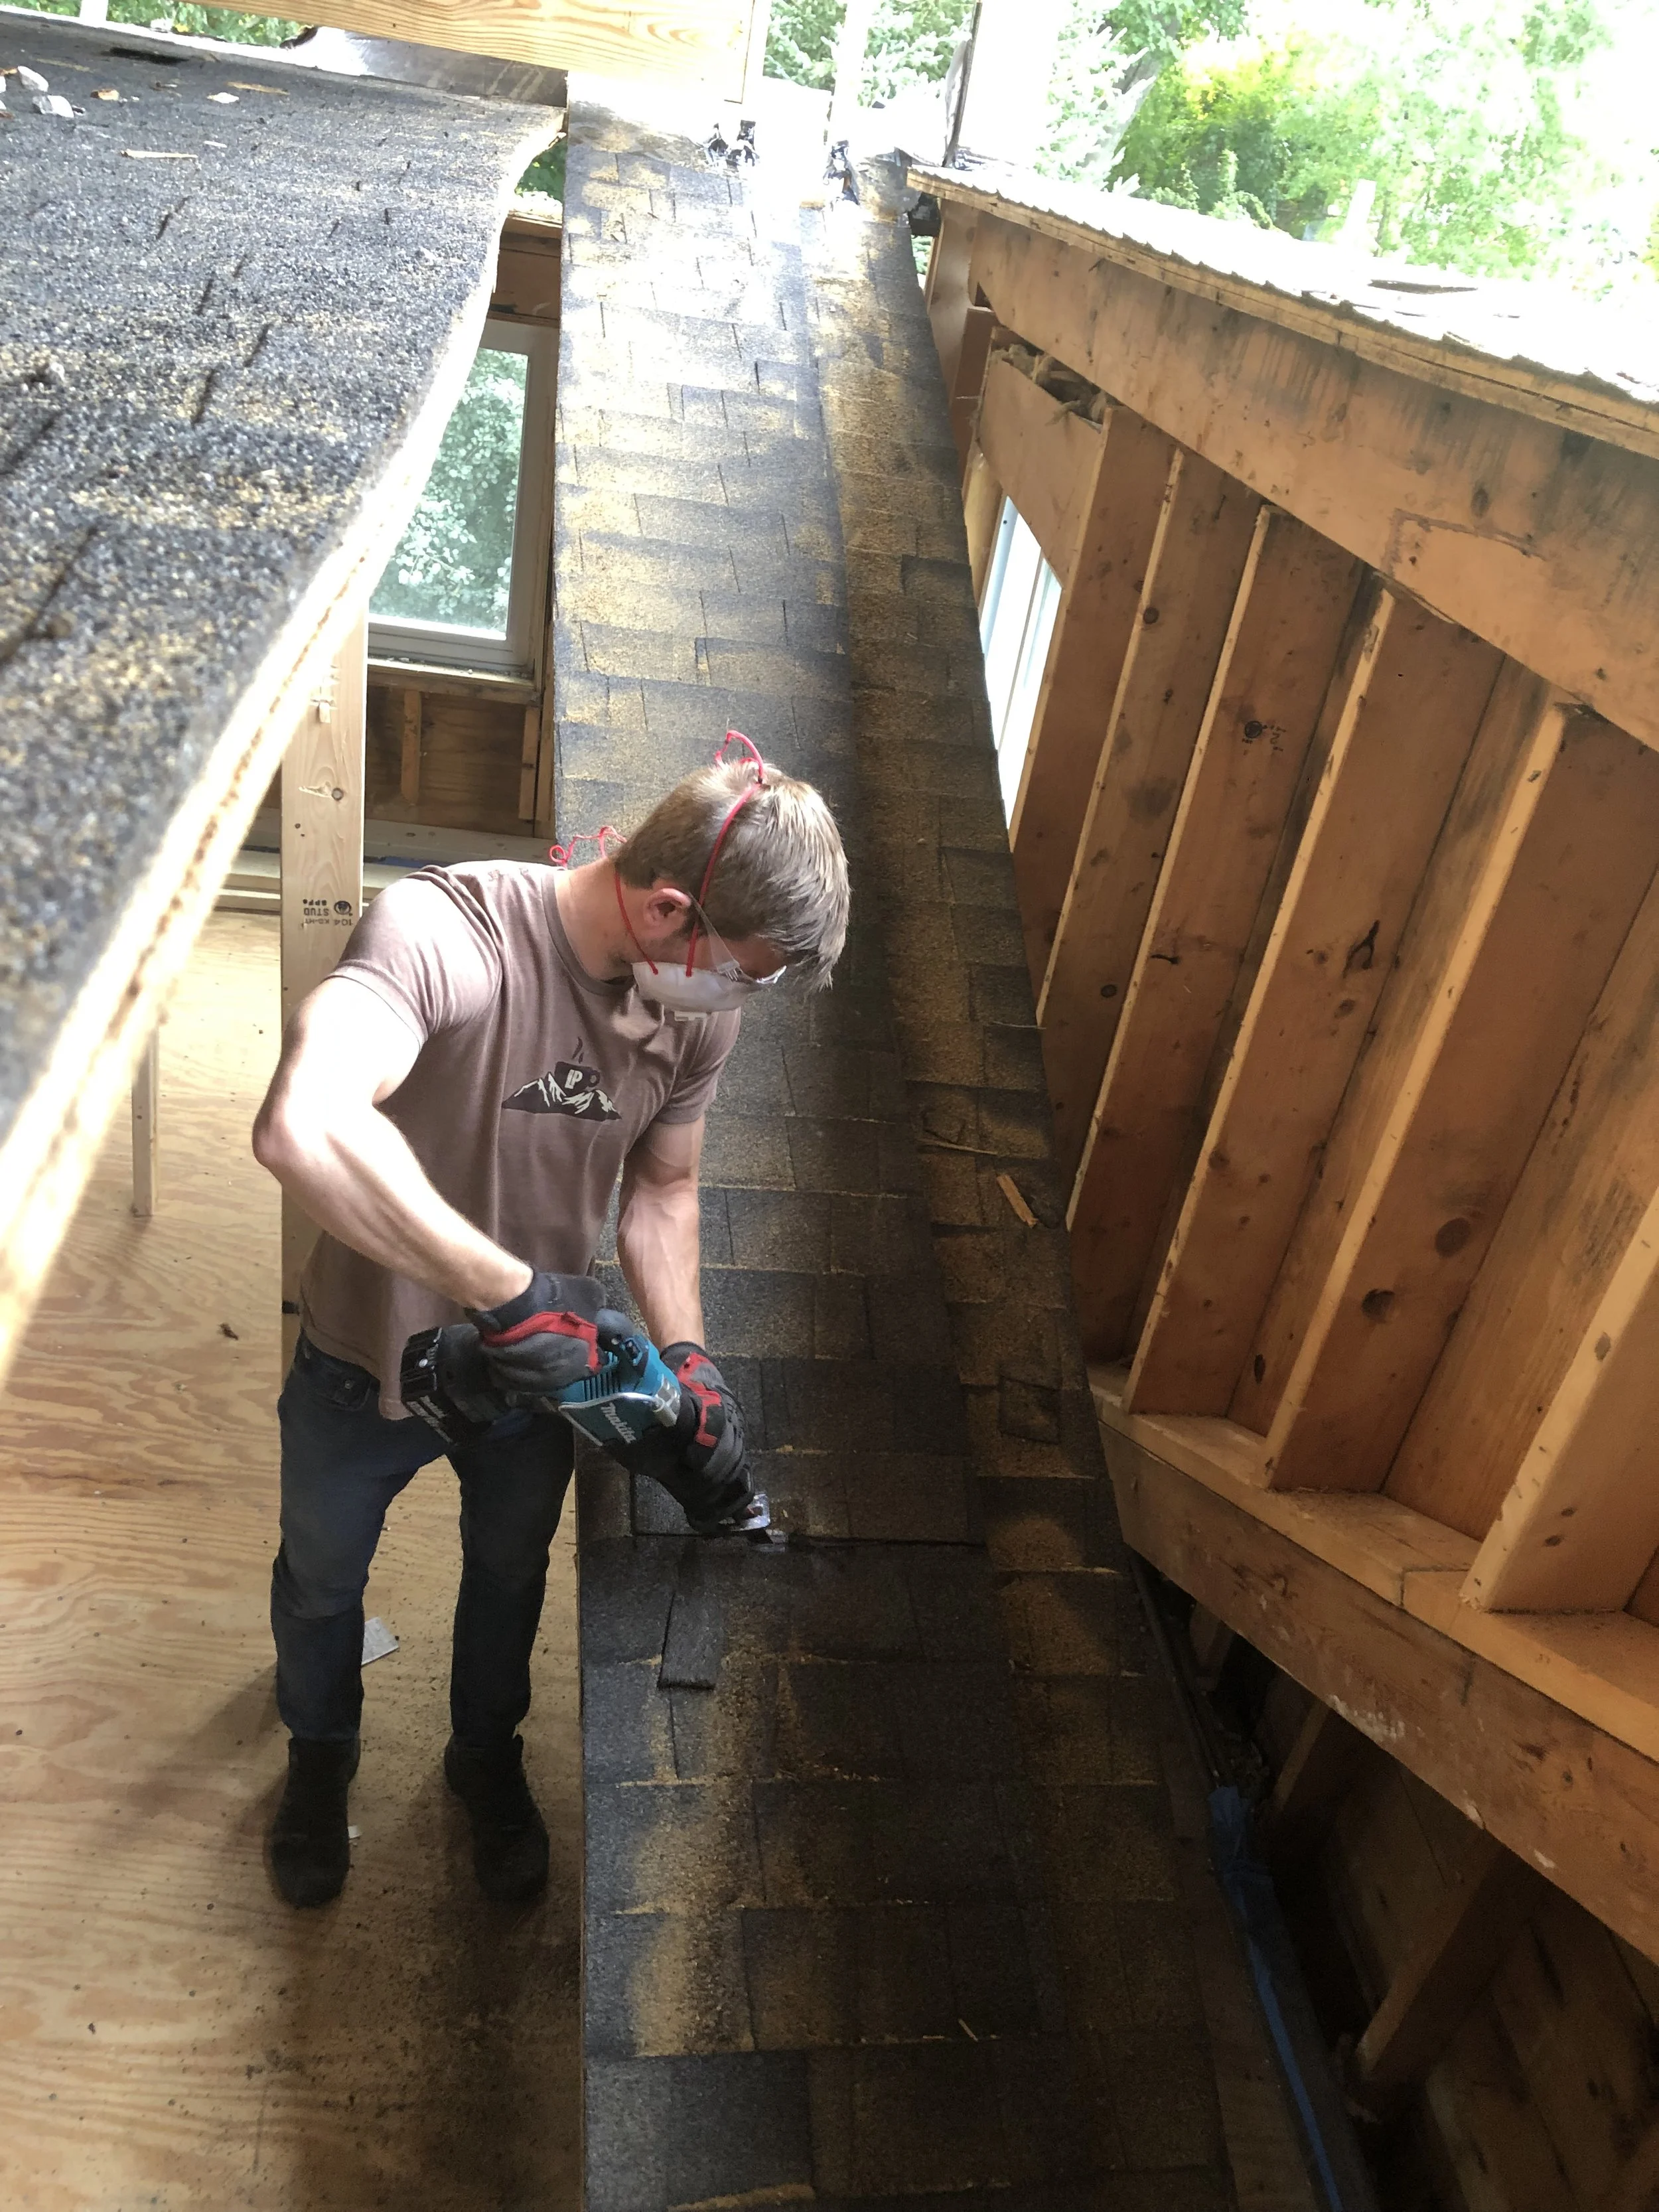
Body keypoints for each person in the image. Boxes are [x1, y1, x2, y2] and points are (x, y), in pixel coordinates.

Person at [250, 739, 849, 1907]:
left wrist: (688, 1359)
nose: (742, 999)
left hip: (532, 1388)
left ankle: (484, 1757)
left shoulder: (695, 1018)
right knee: (321, 1584)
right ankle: (319, 1759)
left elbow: (664, 1190)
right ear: (670, 910)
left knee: (509, 1574)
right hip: (363, 1360)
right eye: (744, 974)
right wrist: (512, 1294)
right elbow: (303, 1124)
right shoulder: (448, 934)